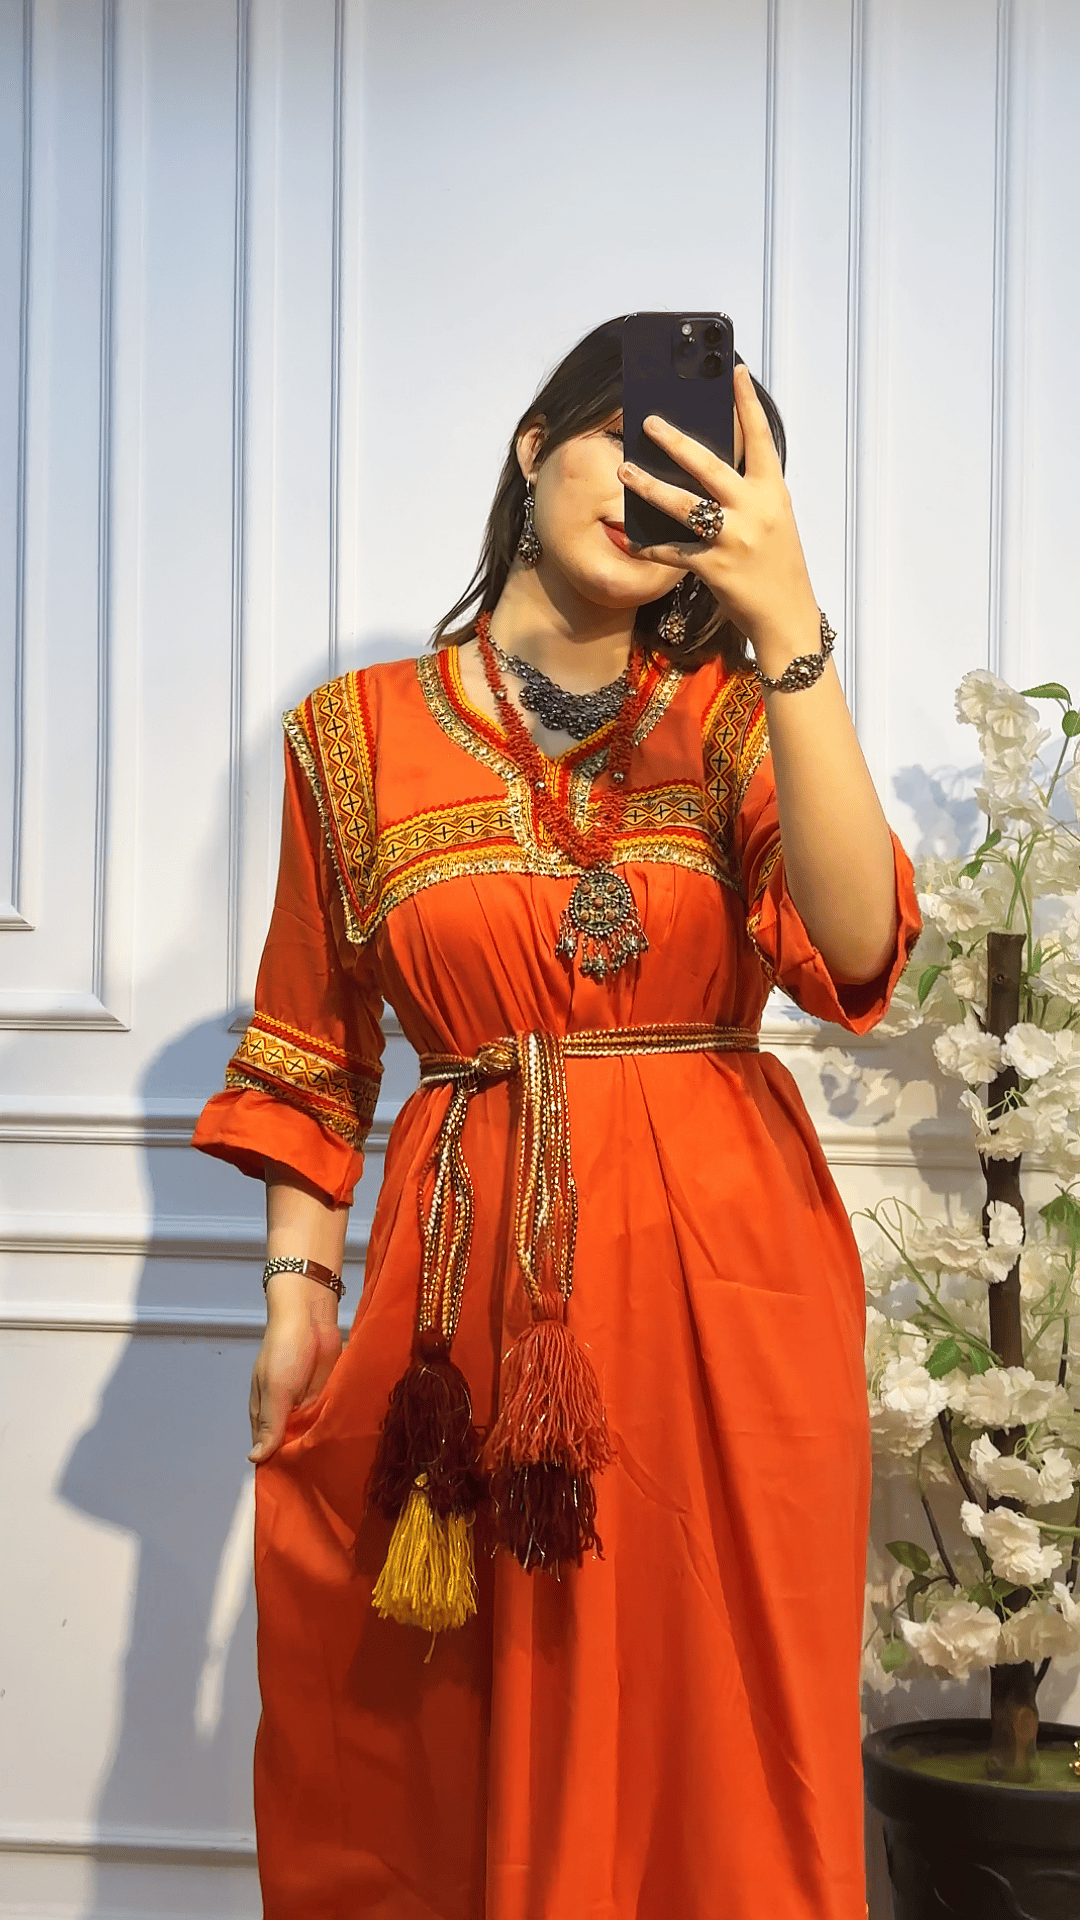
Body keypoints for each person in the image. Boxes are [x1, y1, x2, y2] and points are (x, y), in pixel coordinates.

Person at [192, 315, 920, 1920]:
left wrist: (791, 630)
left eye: (703, 485)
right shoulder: (352, 736)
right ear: (537, 444)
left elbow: (858, 944)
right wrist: (295, 1295)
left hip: (722, 1302)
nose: (654, 501)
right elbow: (313, 1048)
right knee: (441, 1730)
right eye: (630, 449)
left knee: (720, 1724)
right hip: (462, 1313)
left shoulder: (736, 720)